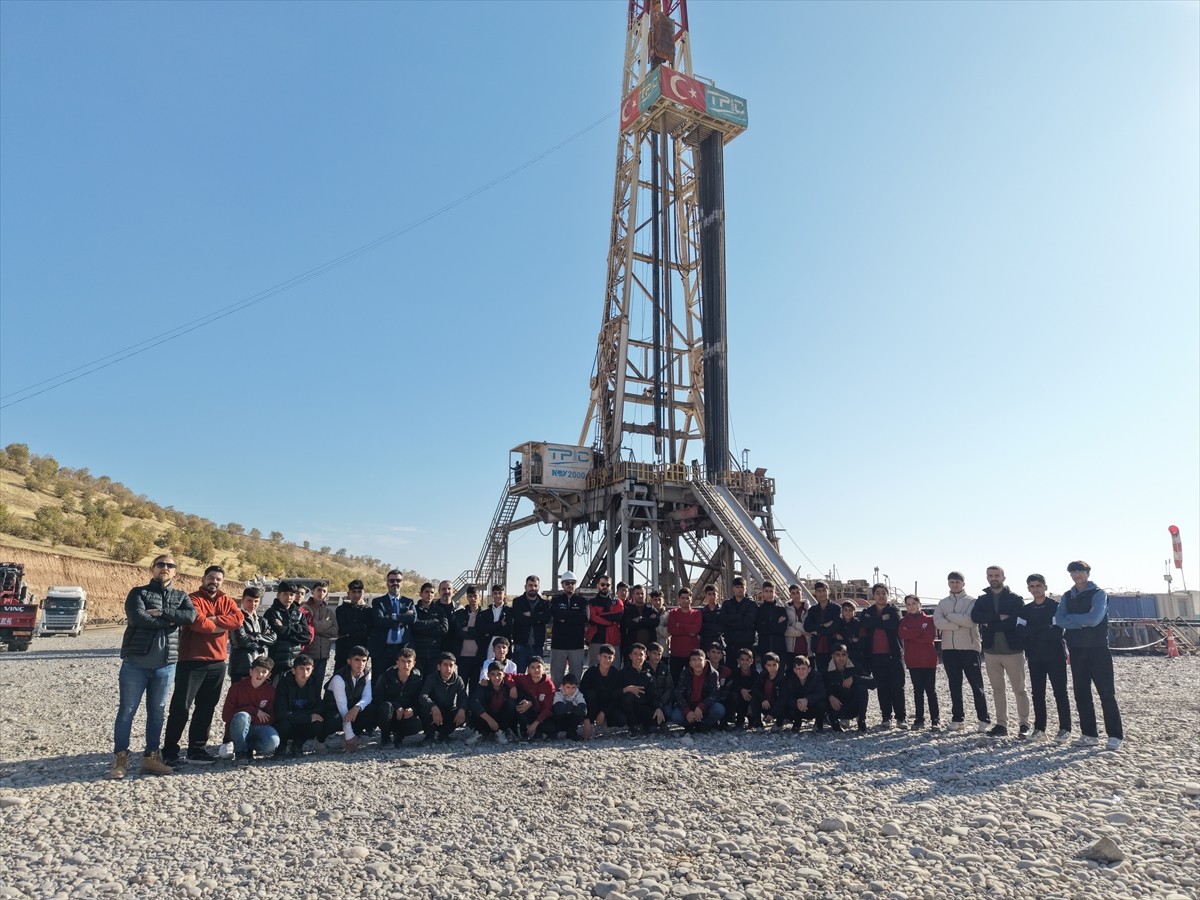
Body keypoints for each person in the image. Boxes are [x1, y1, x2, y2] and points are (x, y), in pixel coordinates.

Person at [109, 555, 197, 779]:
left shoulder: (181, 595)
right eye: (160, 565)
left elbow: (190, 616)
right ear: (152, 569)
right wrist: (170, 622)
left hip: (166, 665)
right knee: (127, 711)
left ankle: (151, 757)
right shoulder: (138, 593)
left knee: (157, 711)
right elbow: (137, 618)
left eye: (170, 566)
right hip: (135, 664)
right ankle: (121, 758)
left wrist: (162, 613)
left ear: (175, 572)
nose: (165, 568)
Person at [163, 564, 243, 765]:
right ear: (203, 578)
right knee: (181, 707)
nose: (214, 582)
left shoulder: (227, 600)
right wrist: (219, 625)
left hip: (217, 662)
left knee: (206, 708)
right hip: (191, 662)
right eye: (211, 577)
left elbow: (239, 620)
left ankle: (196, 750)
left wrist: (214, 621)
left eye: (218, 579)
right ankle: (170, 751)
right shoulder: (191, 599)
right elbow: (199, 623)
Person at [1055, 561, 1122, 751]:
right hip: (1076, 649)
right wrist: (1082, 620)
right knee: (1081, 693)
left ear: (1087, 573)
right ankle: (1089, 734)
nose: (1077, 575)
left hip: (1098, 649)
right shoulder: (1067, 596)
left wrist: (1073, 620)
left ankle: (1115, 735)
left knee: (1106, 693)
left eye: (1080, 571)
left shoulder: (1099, 594)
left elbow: (1095, 619)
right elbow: (1060, 620)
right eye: (1073, 572)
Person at [971, 566, 1030, 738]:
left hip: (1013, 650)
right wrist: (997, 617)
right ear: (987, 577)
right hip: (991, 651)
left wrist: (990, 623)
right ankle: (1001, 724)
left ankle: (1024, 724)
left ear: (1004, 577)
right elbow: (975, 617)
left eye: (997, 575)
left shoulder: (1015, 599)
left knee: (1019, 689)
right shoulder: (982, 599)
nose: (993, 578)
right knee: (998, 689)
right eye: (990, 575)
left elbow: (1014, 622)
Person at [933, 572, 991, 732]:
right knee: (954, 685)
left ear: (963, 583)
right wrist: (956, 624)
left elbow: (970, 620)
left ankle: (983, 719)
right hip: (949, 649)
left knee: (976, 685)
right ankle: (958, 718)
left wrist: (949, 616)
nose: (954, 584)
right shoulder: (943, 602)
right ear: (948, 584)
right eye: (951, 582)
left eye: (957, 582)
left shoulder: (972, 601)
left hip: (969, 648)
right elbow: (937, 622)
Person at [1019, 573, 1072, 742]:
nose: (1035, 589)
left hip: (1055, 656)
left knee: (1060, 692)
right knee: (1037, 693)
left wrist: (1033, 629)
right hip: (1034, 657)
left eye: (1038, 586)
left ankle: (1065, 728)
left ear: (1045, 587)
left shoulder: (1056, 607)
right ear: (1028, 588)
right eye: (1032, 586)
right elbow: (1020, 632)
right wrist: (1043, 628)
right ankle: (1040, 728)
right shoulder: (1025, 610)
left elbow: (1057, 631)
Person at [859, 584, 906, 728]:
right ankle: (886, 717)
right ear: (874, 595)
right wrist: (882, 620)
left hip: (893, 655)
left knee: (897, 687)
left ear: (887, 594)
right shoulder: (868, 611)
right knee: (882, 688)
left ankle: (901, 718)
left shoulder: (894, 609)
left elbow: (893, 624)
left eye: (883, 593)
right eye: (878, 593)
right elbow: (865, 623)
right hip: (875, 656)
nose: (881, 595)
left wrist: (875, 622)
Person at [221, 656, 280, 763]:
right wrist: (254, 711)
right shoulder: (236, 688)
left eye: (264, 671)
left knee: (273, 742)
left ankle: (247, 746)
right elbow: (226, 716)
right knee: (242, 716)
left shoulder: (271, 691)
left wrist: (253, 719)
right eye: (257, 670)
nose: (260, 674)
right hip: (236, 728)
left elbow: (270, 717)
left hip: (256, 728)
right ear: (251, 672)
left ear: (269, 675)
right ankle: (241, 751)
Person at [320, 646, 378, 752]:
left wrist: (357, 707)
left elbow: (367, 697)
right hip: (333, 709)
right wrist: (349, 735)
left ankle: (353, 736)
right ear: (349, 661)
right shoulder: (339, 678)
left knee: (371, 709)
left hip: (352, 707)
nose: (361, 664)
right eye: (357, 660)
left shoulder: (366, 674)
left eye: (364, 660)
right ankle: (320, 740)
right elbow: (342, 707)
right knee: (335, 719)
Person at [898, 595, 940, 730]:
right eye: (908, 604)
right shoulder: (904, 621)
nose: (911, 606)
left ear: (919, 604)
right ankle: (919, 719)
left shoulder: (929, 620)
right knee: (917, 691)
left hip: (928, 659)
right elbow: (903, 635)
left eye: (914, 603)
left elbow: (929, 637)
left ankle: (935, 719)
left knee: (931, 691)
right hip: (913, 660)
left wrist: (912, 635)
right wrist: (919, 631)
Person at [274, 654, 324, 756]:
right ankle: (281, 745)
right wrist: (307, 717)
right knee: (283, 725)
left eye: (308, 669)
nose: (305, 673)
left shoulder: (314, 684)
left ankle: (297, 745)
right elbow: (281, 712)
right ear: (293, 670)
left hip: (301, 721)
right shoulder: (284, 684)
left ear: (312, 669)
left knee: (318, 723)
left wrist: (307, 717)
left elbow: (318, 707)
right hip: (288, 722)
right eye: (301, 669)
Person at [375, 647, 427, 747]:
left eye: (409, 662)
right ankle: (385, 738)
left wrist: (413, 710)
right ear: (397, 662)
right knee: (386, 707)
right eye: (403, 661)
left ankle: (399, 735)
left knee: (417, 725)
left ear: (414, 663)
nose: (406, 665)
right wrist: (395, 706)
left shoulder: (418, 680)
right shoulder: (386, 676)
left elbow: (419, 700)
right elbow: (377, 698)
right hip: (388, 713)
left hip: (405, 715)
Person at [264, 582, 315, 681]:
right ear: (278, 595)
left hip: (295, 662)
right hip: (276, 661)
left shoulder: (299, 614)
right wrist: (297, 629)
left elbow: (307, 637)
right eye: (285, 594)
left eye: (291, 594)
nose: (289, 597)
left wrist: (284, 628)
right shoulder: (271, 613)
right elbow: (276, 634)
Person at [370, 571, 416, 675]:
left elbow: (412, 618)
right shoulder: (378, 602)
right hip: (382, 650)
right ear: (387, 583)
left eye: (398, 580)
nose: (395, 583)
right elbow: (379, 620)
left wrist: (393, 616)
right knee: (379, 682)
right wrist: (403, 617)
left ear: (402, 583)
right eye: (392, 580)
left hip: (403, 649)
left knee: (402, 681)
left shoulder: (408, 602)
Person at [418, 652, 469, 743]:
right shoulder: (431, 678)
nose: (448, 668)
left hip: (447, 711)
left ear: (455, 667)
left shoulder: (458, 680)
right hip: (433, 712)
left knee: (465, 713)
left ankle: (444, 734)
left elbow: (463, 697)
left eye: (451, 665)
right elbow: (423, 696)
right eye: (445, 665)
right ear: (439, 666)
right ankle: (430, 735)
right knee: (423, 710)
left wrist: (461, 709)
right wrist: (433, 706)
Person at [671, 649, 725, 733]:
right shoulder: (685, 673)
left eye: (700, 659)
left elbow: (715, 694)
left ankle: (703, 725)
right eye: (694, 660)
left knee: (719, 709)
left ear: (705, 661)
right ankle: (690, 725)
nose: (697, 663)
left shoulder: (713, 674)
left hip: (704, 706)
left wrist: (701, 706)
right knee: (675, 716)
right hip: (689, 705)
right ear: (690, 663)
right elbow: (679, 693)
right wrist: (687, 711)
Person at [229, 587, 274, 684]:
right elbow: (241, 642)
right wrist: (262, 644)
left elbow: (273, 638)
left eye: (256, 601)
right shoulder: (236, 618)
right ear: (242, 600)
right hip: (242, 668)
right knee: (240, 697)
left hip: (261, 667)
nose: (253, 604)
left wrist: (255, 637)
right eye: (249, 600)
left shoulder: (262, 620)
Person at [549, 572, 588, 686]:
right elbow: (556, 614)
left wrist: (565, 618)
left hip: (576, 646)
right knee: (556, 679)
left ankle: (575, 702)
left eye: (573, 583)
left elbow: (585, 617)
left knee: (575, 679)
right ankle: (556, 701)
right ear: (562, 585)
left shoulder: (582, 601)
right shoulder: (555, 600)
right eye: (567, 583)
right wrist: (575, 616)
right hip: (558, 646)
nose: (570, 585)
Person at [580, 644, 626, 738]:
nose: (607, 660)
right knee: (590, 694)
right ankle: (590, 722)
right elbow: (582, 694)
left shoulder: (616, 674)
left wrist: (604, 712)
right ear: (599, 657)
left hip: (608, 707)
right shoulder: (590, 673)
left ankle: (604, 723)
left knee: (621, 720)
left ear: (613, 659)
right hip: (591, 706)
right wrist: (586, 718)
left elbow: (617, 698)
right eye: (604, 657)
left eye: (610, 657)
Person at [823, 644, 872, 732]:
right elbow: (821, 688)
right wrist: (830, 696)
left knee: (862, 688)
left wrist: (854, 678)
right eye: (837, 655)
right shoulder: (826, 671)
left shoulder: (856, 667)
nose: (841, 658)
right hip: (836, 706)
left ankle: (861, 720)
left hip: (853, 706)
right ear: (832, 656)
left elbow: (873, 683)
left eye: (843, 654)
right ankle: (832, 720)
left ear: (847, 655)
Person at [620, 643, 665, 734]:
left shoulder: (647, 675)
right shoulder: (622, 673)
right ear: (630, 656)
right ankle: (632, 726)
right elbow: (614, 693)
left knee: (660, 717)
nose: (638, 657)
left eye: (641, 654)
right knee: (628, 696)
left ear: (645, 657)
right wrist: (626, 689)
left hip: (641, 707)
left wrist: (658, 708)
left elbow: (653, 696)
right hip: (626, 708)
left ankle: (643, 725)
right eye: (635, 654)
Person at [450, 586, 486, 697]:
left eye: (475, 596)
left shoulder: (484, 615)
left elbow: (482, 632)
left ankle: (472, 711)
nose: (473, 599)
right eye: (470, 596)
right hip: (463, 656)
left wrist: (468, 630)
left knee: (475, 688)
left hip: (477, 656)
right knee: (461, 687)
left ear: (479, 597)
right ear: (467, 597)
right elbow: (458, 632)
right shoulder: (460, 614)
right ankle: (461, 710)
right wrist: (472, 632)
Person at [302, 580, 338, 688]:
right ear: (313, 591)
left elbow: (335, 631)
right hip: (308, 653)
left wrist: (317, 628)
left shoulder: (329, 612)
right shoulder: (305, 609)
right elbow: (309, 629)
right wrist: (328, 623)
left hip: (323, 655)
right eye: (318, 590)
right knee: (305, 684)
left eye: (324, 591)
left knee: (318, 685)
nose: (321, 593)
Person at [469, 662, 517, 744]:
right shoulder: (483, 686)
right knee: (477, 702)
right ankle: (479, 732)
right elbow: (473, 702)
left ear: (504, 674)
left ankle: (501, 732)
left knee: (511, 703)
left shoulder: (508, 687)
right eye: (493, 675)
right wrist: (489, 719)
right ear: (488, 675)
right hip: (486, 719)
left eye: (499, 674)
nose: (496, 677)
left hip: (501, 719)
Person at [409, 583, 450, 677]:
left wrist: (423, 628)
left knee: (432, 684)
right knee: (417, 682)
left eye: (432, 592)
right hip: (418, 655)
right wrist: (434, 622)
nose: (429, 594)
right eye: (426, 592)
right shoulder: (414, 609)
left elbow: (444, 629)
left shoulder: (440, 611)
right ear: (421, 594)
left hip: (435, 655)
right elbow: (415, 626)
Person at [511, 575, 551, 672]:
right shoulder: (518, 602)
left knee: (536, 676)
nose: (533, 588)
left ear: (538, 587)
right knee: (519, 676)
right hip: (521, 646)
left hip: (537, 646)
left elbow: (547, 619)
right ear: (525, 587)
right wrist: (538, 618)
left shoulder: (544, 603)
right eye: (530, 585)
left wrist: (531, 614)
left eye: (535, 585)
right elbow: (519, 619)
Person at [511, 656, 556, 741]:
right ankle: (524, 730)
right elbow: (508, 676)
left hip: (542, 714)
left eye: (539, 667)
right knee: (521, 703)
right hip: (530, 711)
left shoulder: (549, 685)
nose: (536, 670)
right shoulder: (524, 678)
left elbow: (547, 709)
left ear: (544, 669)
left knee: (550, 726)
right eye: (533, 667)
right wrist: (512, 686)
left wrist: (535, 724)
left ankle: (536, 730)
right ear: (528, 670)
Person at [780, 655, 828, 732]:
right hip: (797, 708)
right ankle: (797, 723)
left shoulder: (817, 676)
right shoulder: (789, 678)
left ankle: (818, 724)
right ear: (794, 670)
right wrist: (797, 702)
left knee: (822, 704)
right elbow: (785, 695)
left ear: (809, 669)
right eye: (798, 669)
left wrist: (807, 699)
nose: (801, 672)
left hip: (812, 706)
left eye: (803, 668)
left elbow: (821, 692)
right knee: (786, 706)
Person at [335, 579, 373, 672]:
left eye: (359, 592)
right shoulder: (341, 609)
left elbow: (368, 630)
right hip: (343, 649)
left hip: (362, 648)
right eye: (353, 592)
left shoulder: (369, 611)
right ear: (348, 593)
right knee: (339, 676)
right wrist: (361, 625)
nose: (356, 595)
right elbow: (343, 629)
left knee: (360, 676)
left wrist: (352, 628)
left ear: (363, 593)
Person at [586, 575, 625, 667]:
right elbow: (592, 619)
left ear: (611, 587)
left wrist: (600, 615)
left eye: (607, 585)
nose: (605, 587)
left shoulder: (617, 601)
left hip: (613, 640)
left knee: (614, 669)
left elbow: (618, 616)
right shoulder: (592, 602)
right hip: (595, 639)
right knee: (594, 669)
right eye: (602, 584)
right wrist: (611, 622)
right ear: (598, 585)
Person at [803, 582, 840, 674]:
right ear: (815, 593)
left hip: (832, 647)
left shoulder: (836, 608)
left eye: (824, 590)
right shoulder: (812, 610)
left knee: (834, 675)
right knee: (821, 674)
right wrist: (822, 625)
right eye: (819, 591)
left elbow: (835, 627)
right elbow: (807, 627)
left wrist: (818, 631)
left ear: (829, 591)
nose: (822, 593)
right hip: (818, 648)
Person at [666, 587, 702, 681]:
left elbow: (696, 630)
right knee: (676, 680)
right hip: (676, 653)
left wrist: (680, 625)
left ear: (691, 599)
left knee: (693, 680)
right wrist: (689, 630)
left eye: (687, 598)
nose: (685, 600)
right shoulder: (673, 613)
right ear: (679, 599)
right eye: (683, 598)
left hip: (692, 654)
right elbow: (672, 630)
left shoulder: (697, 613)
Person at [720, 577, 758, 661]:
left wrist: (732, 620)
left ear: (746, 588)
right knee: (731, 670)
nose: (740, 589)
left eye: (742, 587)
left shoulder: (752, 604)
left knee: (749, 671)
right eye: (737, 587)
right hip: (731, 643)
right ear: (733, 589)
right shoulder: (727, 604)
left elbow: (748, 622)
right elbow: (723, 620)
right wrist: (740, 616)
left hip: (747, 643)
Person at [726, 648, 761, 730]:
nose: (745, 662)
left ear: (751, 661)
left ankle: (754, 720)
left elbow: (758, 688)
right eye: (742, 659)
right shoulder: (734, 673)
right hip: (739, 701)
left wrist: (751, 704)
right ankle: (738, 720)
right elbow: (730, 686)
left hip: (751, 700)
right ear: (738, 660)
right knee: (733, 695)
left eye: (747, 660)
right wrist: (741, 690)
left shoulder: (755, 674)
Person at [755, 581, 789, 663]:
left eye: (771, 591)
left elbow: (782, 629)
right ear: (762, 593)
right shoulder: (759, 610)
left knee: (780, 674)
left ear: (775, 593)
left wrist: (767, 624)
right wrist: (776, 624)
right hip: (764, 648)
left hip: (779, 649)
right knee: (765, 674)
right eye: (766, 591)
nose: (769, 594)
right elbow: (759, 629)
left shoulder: (781, 610)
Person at [831, 601, 868, 672]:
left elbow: (862, 642)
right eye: (845, 610)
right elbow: (834, 640)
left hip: (856, 656)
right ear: (842, 612)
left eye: (850, 610)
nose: (847, 612)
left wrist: (844, 639)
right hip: (841, 658)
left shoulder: (859, 624)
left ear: (855, 613)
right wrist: (852, 640)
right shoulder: (838, 624)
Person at [753, 652, 785, 730]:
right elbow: (755, 689)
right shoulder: (762, 675)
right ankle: (758, 724)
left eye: (774, 665)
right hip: (766, 703)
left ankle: (779, 723)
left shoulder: (783, 679)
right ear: (765, 666)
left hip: (777, 705)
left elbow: (783, 698)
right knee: (754, 699)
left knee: (785, 703)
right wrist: (763, 698)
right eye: (769, 665)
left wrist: (772, 714)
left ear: (778, 665)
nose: (772, 668)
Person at [551, 674, 588, 740]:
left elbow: (583, 711)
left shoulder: (579, 695)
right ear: (562, 686)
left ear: (576, 687)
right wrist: (572, 705)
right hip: (560, 721)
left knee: (578, 714)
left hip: (572, 721)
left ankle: (572, 733)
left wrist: (567, 707)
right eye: (568, 687)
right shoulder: (558, 694)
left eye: (573, 687)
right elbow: (558, 710)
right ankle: (555, 732)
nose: (571, 690)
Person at [647, 642, 675, 727]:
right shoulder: (643, 668)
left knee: (669, 713)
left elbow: (669, 688)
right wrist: (655, 704)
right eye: (654, 653)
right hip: (649, 702)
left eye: (659, 654)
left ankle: (662, 723)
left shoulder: (665, 668)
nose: (657, 657)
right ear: (648, 653)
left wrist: (661, 703)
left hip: (663, 701)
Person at [482, 584, 513, 650]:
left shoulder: (510, 611)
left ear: (504, 595)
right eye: (495, 593)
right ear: (492, 595)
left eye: (500, 593)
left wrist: (491, 629)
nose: (497, 595)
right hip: (488, 645)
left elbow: (508, 630)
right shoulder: (485, 613)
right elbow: (484, 629)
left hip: (504, 646)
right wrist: (500, 623)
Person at [698, 584, 724, 652]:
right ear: (706, 595)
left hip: (719, 644)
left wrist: (707, 626)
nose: (712, 596)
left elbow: (723, 627)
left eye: (714, 594)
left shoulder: (723, 611)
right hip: (705, 644)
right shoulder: (701, 612)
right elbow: (700, 629)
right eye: (709, 594)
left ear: (717, 595)